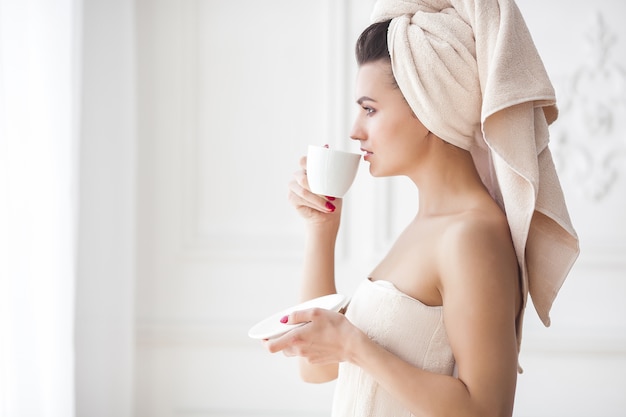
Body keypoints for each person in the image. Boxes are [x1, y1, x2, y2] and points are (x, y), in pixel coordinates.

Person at [264, 1, 579, 416]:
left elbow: (487, 409)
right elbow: (314, 368)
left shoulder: (472, 235)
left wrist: (355, 346)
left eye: (370, 109)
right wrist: (322, 230)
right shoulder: (428, 226)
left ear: (430, 106)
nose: (355, 130)